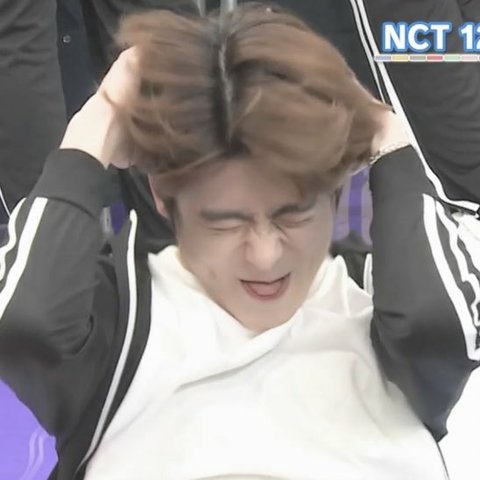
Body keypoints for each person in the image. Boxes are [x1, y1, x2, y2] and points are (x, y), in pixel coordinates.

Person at [0, 4, 479, 479]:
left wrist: (387, 134)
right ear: (163, 197)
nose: (265, 256)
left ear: (335, 189)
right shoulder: (124, 323)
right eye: (225, 224)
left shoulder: (374, 300)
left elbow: (437, 326)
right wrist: (95, 128)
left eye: (293, 215)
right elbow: (29, 328)